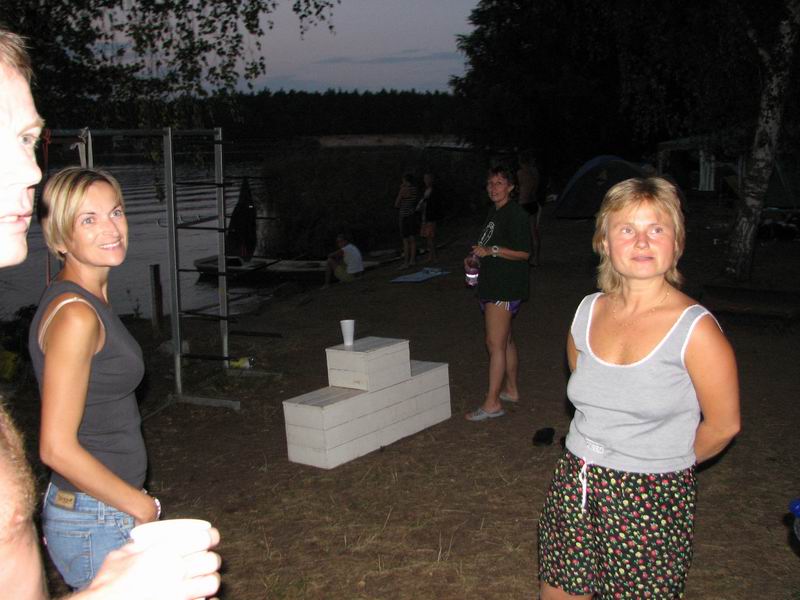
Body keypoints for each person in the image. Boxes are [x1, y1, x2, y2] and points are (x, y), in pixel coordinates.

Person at [0, 27, 220, 600]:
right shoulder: (75, 315)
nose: (111, 228)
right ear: (60, 238)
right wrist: (141, 506)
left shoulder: (85, 301)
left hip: (100, 506)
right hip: (95, 514)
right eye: (89, 219)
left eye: (116, 211)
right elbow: (55, 446)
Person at [538, 177, 740, 599]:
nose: (643, 241)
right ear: (604, 242)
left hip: (651, 495)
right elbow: (588, 394)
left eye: (657, 228)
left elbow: (723, 426)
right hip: (576, 481)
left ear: (676, 243)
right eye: (627, 229)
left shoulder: (696, 331)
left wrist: (661, 466)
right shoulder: (587, 311)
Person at [465, 165, 531, 421]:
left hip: (504, 286)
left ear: (511, 187)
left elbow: (524, 253)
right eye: (490, 183)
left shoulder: (516, 214)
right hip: (492, 282)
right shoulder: (495, 212)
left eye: (499, 183)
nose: (493, 188)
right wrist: (475, 258)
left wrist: (492, 251)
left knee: (494, 344)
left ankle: (492, 403)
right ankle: (511, 390)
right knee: (505, 340)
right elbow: (488, 245)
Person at [517, 152, 542, 266]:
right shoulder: (535, 172)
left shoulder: (520, 173)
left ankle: (523, 257)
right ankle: (535, 258)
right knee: (533, 232)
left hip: (523, 203)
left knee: (522, 232)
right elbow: (535, 186)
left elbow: (520, 187)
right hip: (533, 202)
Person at [394, 172, 418, 269]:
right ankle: (412, 260)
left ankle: (406, 262)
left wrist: (401, 190)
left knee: (406, 240)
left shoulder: (404, 189)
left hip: (405, 215)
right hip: (411, 214)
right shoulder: (414, 189)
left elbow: (396, 204)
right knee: (412, 239)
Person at [418, 172, 444, 263]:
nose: (426, 181)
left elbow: (435, 204)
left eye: (427, 179)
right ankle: (430, 256)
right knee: (427, 237)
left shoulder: (434, 191)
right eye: (425, 179)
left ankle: (435, 257)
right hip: (425, 216)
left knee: (431, 237)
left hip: (431, 217)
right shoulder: (425, 190)